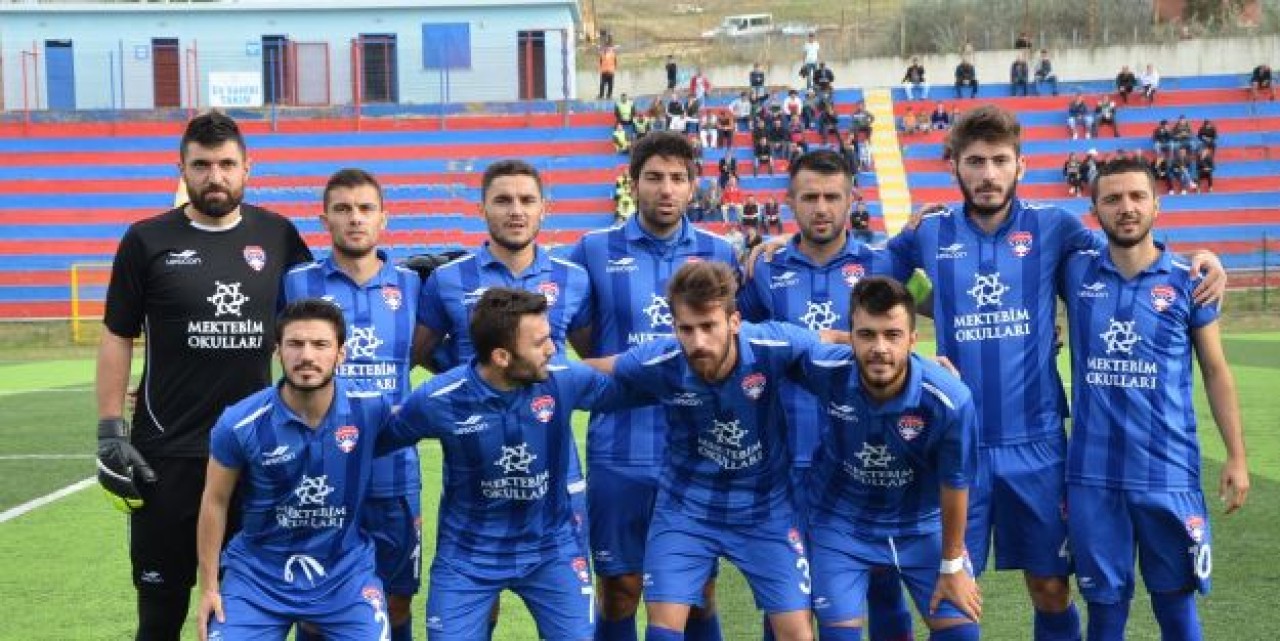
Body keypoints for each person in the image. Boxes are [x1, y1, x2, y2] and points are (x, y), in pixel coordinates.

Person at [885, 106, 1228, 641]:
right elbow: (866, 281)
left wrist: (1200, 259)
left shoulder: (1055, 226)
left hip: (1039, 445)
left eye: (1000, 160)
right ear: (955, 166)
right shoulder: (927, 231)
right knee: (948, 595)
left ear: (1020, 166)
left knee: (1050, 588)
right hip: (958, 443)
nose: (988, 173)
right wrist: (774, 250)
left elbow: (1129, 257)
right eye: (975, 162)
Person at [95, 111, 312, 641]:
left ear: (247, 168)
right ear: (182, 170)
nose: (215, 177)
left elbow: (313, 322)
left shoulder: (278, 235)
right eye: (202, 165)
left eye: (226, 165)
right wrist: (109, 431)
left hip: (255, 452)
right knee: (160, 614)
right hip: (166, 454)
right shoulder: (145, 240)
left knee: (244, 613)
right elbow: (117, 334)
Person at [1059, 157, 1249, 641]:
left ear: (1156, 205)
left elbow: (1216, 370)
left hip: (1168, 472)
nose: (1126, 208)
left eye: (1137, 196)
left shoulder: (1190, 278)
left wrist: (1236, 456)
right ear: (1095, 210)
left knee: (1177, 608)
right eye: (1112, 198)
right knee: (1105, 612)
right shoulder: (1074, 271)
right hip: (1094, 477)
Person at [738, 151, 920, 640]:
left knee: (882, 583)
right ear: (790, 201)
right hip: (786, 461)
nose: (821, 208)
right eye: (810, 197)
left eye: (832, 197)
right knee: (788, 597)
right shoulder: (765, 269)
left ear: (852, 199)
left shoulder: (883, 263)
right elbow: (737, 343)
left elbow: (932, 303)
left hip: (867, 457)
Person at [390, 287, 640, 640]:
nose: (552, 349)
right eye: (539, 343)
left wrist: (688, 366)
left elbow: (633, 390)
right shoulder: (439, 399)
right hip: (466, 558)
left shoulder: (563, 378)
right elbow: (377, 438)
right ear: (502, 356)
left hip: (551, 551)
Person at [569, 132, 739, 640]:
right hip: (619, 450)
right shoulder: (592, 250)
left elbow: (738, 338)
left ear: (693, 186)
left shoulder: (719, 251)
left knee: (698, 590)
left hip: (698, 449)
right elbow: (578, 336)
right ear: (633, 182)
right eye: (654, 177)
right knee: (620, 588)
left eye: (678, 178)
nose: (666, 189)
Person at [595, 261, 821, 641]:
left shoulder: (773, 344)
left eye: (708, 326)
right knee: (662, 632)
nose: (698, 342)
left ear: (734, 321)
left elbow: (831, 345)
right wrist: (528, 370)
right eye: (686, 329)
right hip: (686, 511)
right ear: (673, 327)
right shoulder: (661, 358)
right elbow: (594, 371)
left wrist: (906, 361)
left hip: (766, 511)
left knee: (797, 634)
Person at [796, 277, 982, 641]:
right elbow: (780, 345)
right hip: (841, 523)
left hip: (922, 524)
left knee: (962, 633)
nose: (879, 348)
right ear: (851, 337)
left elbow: (955, 483)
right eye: (866, 335)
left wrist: (952, 565)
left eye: (892, 335)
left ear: (913, 340)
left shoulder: (949, 398)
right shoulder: (826, 369)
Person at [195, 300, 392, 641]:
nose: (307, 356)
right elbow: (215, 500)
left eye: (320, 344)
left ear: (341, 354)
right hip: (258, 578)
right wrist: (210, 587)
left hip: (344, 576)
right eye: (295, 344)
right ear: (277, 352)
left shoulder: (372, 408)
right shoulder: (239, 422)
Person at [280, 169, 423, 641]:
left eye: (365, 209)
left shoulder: (413, 285)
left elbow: (439, 352)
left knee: (396, 599)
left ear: (384, 218)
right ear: (325, 220)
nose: (355, 218)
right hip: (316, 474)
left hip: (393, 472)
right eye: (342, 209)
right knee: (314, 607)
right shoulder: (295, 283)